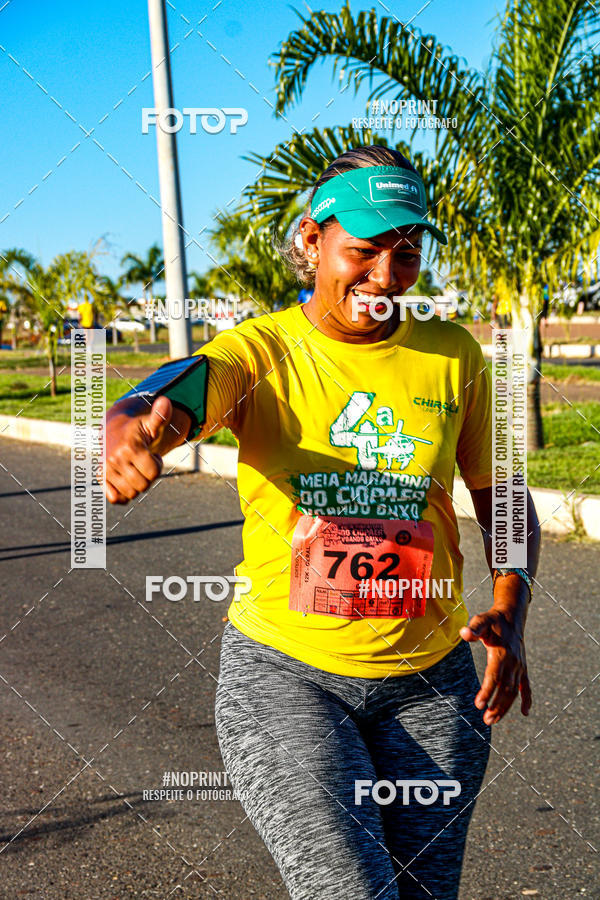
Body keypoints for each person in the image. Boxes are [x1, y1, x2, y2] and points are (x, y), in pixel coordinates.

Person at [103, 145, 540, 900]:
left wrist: (512, 602)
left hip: (434, 688)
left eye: (406, 256)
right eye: (363, 252)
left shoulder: (453, 354)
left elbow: (500, 489)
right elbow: (186, 388)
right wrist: (130, 420)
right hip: (286, 679)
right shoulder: (263, 349)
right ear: (312, 240)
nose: (384, 279)